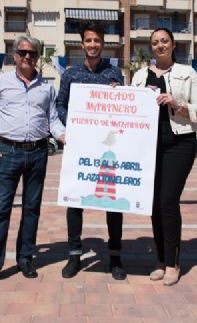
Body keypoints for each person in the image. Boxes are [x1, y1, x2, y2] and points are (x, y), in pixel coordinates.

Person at [0, 36, 66, 289]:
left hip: (38, 153)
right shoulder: (0, 82)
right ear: (14, 55)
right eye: (22, 52)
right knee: (1, 209)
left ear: (37, 57)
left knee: (31, 209)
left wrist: (63, 135)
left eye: (32, 53)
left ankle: (25, 258)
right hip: (8, 152)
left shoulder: (47, 88)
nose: (27, 56)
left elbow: (53, 120)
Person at [131, 28, 197, 286]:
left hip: (180, 142)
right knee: (153, 204)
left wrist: (177, 104)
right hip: (148, 146)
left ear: (173, 45)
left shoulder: (188, 73)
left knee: (168, 202)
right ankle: (161, 261)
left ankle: (174, 263)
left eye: (164, 41)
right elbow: (130, 106)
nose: (160, 45)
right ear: (151, 47)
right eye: (155, 42)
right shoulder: (140, 75)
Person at [55, 22, 127, 280]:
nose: (93, 45)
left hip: (109, 149)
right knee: (75, 201)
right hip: (80, 146)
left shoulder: (115, 74)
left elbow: (125, 106)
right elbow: (59, 105)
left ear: (103, 44)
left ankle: (115, 258)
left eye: (97, 40)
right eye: (88, 40)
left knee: (112, 201)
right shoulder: (70, 75)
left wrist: (121, 94)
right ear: (82, 44)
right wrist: (73, 123)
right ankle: (74, 255)